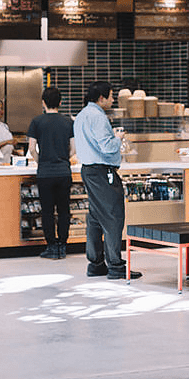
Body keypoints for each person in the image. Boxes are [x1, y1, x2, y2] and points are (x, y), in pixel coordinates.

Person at [73, 81, 140, 280]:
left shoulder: (81, 115)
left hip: (89, 170)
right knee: (113, 217)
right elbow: (107, 147)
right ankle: (116, 265)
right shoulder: (98, 117)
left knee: (95, 217)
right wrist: (118, 137)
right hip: (103, 172)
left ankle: (95, 264)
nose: (112, 100)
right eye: (111, 96)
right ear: (101, 98)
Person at [27, 87, 75, 260]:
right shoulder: (68, 122)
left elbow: (31, 148)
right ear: (60, 102)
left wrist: (41, 161)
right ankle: (63, 246)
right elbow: (73, 149)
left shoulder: (36, 121)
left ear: (43, 103)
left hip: (45, 173)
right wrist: (63, 158)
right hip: (64, 172)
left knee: (47, 211)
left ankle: (52, 247)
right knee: (64, 211)